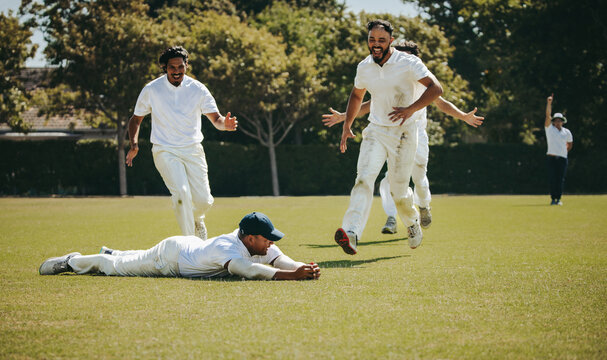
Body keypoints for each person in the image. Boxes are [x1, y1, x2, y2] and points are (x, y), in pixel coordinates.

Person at [322, 40, 484, 234]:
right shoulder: (392, 79)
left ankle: (424, 206)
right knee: (391, 180)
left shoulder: (421, 80)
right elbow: (368, 105)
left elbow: (442, 103)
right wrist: (344, 117)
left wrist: (463, 116)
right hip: (391, 135)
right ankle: (391, 217)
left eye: (409, 56)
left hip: (417, 136)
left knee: (419, 177)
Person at [334, 20, 443, 255]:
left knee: (399, 191)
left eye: (381, 40)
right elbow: (356, 95)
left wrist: (410, 109)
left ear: (390, 41)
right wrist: (346, 126)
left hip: (405, 133)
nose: (376, 44)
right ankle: (351, 233)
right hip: (375, 131)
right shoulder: (364, 67)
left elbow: (436, 89)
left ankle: (412, 223)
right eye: (372, 39)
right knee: (363, 179)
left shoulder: (408, 63)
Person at [126, 46, 238, 240]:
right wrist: (134, 145)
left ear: (186, 65)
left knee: (204, 201)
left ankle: (197, 219)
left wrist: (225, 125)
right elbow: (136, 119)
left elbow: (216, 118)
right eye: (172, 67)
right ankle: (191, 244)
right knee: (181, 194)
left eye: (180, 66)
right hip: (165, 150)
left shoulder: (198, 89)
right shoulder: (152, 89)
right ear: (165, 67)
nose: (177, 71)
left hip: (193, 150)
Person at [39, 212, 321, 281]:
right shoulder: (230, 249)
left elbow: (280, 260)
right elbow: (247, 271)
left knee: (134, 257)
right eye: (266, 238)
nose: (270, 242)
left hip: (189, 247)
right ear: (249, 238)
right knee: (115, 269)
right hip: (170, 259)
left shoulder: (256, 243)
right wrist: (291, 276)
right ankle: (73, 261)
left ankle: (114, 251)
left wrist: (302, 268)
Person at [544, 93, 573, 205]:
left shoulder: (567, 132)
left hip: (562, 158)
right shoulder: (550, 129)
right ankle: (553, 198)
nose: (557, 122)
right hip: (551, 157)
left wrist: (564, 151)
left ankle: (558, 199)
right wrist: (549, 103)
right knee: (553, 179)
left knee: (560, 179)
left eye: (559, 120)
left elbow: (570, 144)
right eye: (556, 120)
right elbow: (547, 116)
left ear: (562, 121)